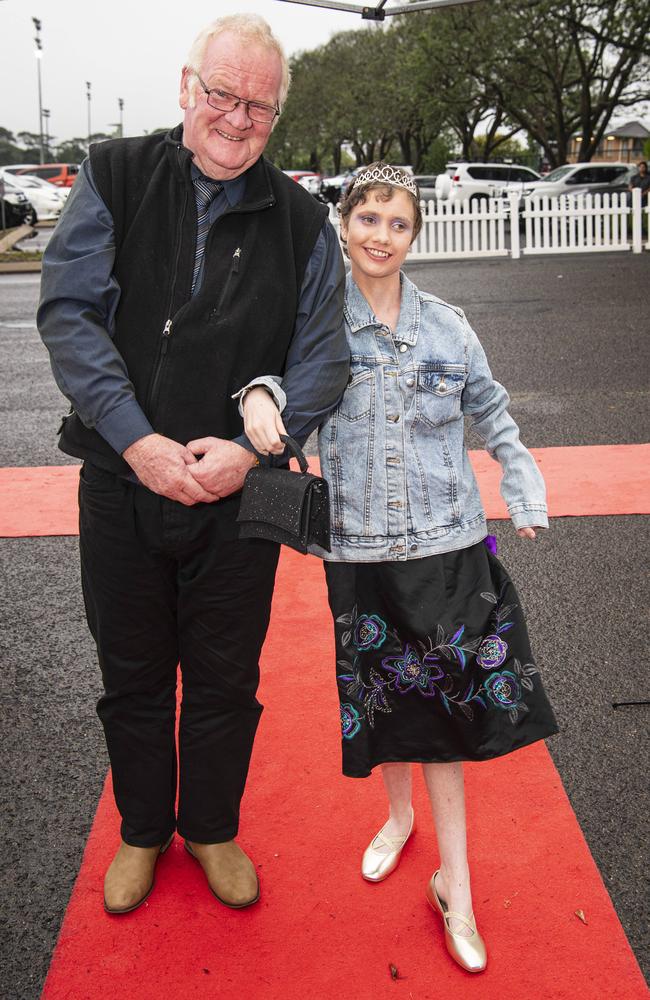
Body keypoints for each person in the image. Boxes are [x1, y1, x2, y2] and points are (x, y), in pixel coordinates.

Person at [37, 14, 348, 915]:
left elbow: (324, 358)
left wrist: (251, 454)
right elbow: (70, 313)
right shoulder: (116, 174)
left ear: (274, 115)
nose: (236, 117)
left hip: (235, 494)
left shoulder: (302, 219)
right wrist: (136, 440)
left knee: (224, 676)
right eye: (221, 94)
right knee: (130, 669)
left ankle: (210, 827)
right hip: (119, 477)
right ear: (186, 88)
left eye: (257, 104)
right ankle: (142, 830)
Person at [242, 163, 558, 973]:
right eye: (369, 218)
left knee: (447, 722)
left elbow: (491, 410)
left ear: (415, 236)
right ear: (344, 225)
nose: (383, 235)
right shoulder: (317, 326)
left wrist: (522, 487)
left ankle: (458, 885)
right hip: (356, 549)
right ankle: (396, 819)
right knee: (382, 707)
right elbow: (279, 379)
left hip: (449, 547)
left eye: (400, 223)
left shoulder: (448, 328)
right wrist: (258, 395)